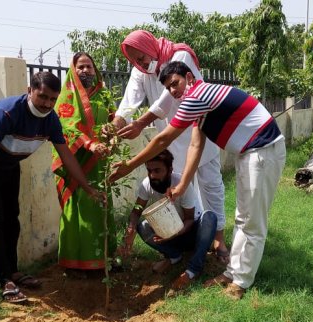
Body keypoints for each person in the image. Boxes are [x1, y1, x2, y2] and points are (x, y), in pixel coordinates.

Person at [109, 61, 287, 300]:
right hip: (250, 152)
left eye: (175, 83)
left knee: (253, 221)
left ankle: (242, 282)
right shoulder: (200, 108)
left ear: (189, 78)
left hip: (264, 150)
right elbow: (195, 145)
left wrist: (127, 167)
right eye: (169, 88)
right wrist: (182, 185)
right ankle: (232, 273)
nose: (173, 91)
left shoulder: (197, 96)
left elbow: (163, 139)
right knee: (243, 217)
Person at [0, 71, 102, 303]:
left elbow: (66, 156)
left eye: (53, 99)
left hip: (10, 166)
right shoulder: (5, 113)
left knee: (12, 219)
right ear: (29, 91)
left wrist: (87, 187)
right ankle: (3, 282)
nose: (47, 104)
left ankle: (13, 272)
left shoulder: (51, 119)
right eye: (42, 97)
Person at [110, 30, 229, 262]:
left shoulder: (180, 55)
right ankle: (183, 241)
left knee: (211, 185)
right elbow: (128, 101)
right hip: (173, 140)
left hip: (199, 131)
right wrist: (115, 126)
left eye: (141, 56)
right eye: (134, 59)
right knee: (180, 192)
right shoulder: (140, 71)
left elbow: (168, 98)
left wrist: (142, 122)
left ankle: (219, 239)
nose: (140, 62)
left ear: (149, 45)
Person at [52, 52, 117, 273]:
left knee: (101, 205)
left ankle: (105, 259)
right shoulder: (66, 97)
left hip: (100, 164)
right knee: (78, 209)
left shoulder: (104, 95)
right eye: (80, 67)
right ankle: (75, 264)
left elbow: (113, 119)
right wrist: (89, 144)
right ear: (73, 69)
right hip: (77, 162)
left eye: (89, 66)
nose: (85, 71)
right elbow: (64, 126)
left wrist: (113, 134)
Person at [118, 149, 218, 291]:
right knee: (142, 226)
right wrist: (130, 229)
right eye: (149, 170)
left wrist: (173, 233)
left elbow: (189, 219)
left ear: (170, 169)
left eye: (157, 170)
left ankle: (192, 270)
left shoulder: (181, 185)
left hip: (191, 233)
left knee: (209, 217)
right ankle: (173, 256)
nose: (152, 175)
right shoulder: (147, 184)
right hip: (168, 235)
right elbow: (136, 211)